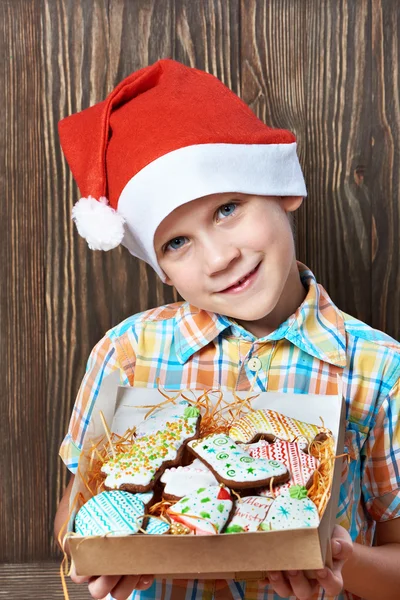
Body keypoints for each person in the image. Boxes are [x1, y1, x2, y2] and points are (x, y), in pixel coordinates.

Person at [54, 59, 400, 600]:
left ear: (283, 188)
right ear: (162, 270)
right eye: (177, 242)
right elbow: (75, 508)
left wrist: (341, 560)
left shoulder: (380, 369)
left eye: (228, 208)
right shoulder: (127, 351)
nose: (218, 257)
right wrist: (95, 554)